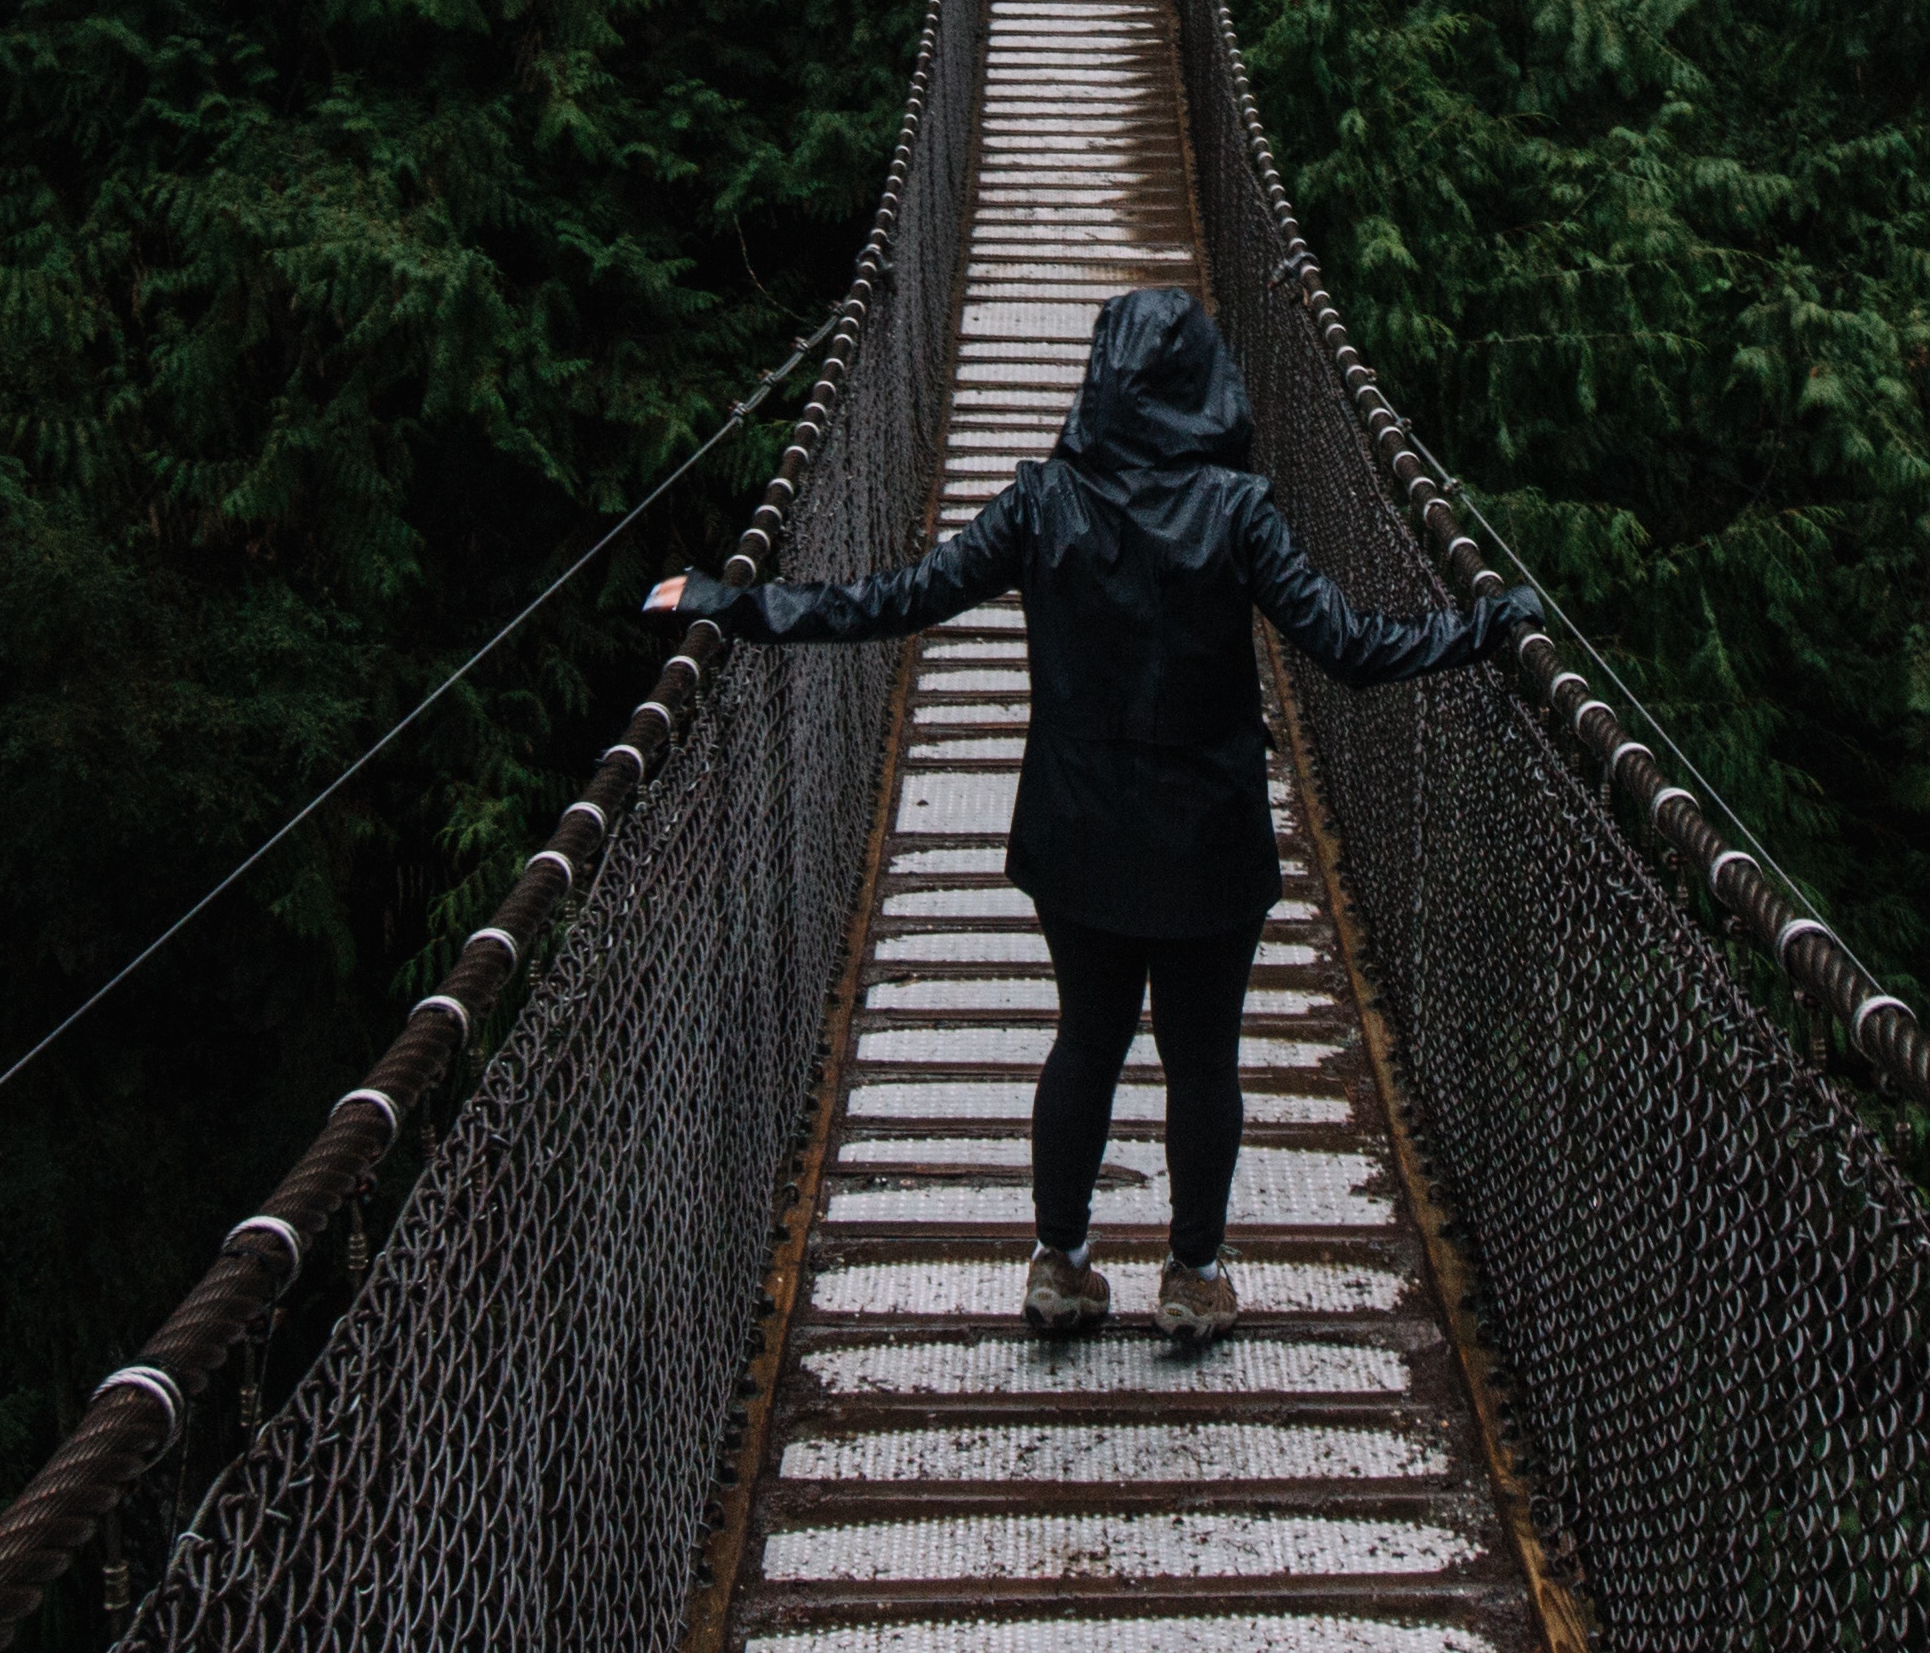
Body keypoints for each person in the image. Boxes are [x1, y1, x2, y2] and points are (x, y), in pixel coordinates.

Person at [645, 284, 1541, 1349]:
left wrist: (732, 603)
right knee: (1205, 1059)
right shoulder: (1238, 511)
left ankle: (1061, 1264)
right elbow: (1348, 649)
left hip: (1078, 835)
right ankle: (1194, 1276)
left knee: (1088, 1039)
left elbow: (898, 598)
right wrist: (1486, 626)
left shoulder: (1041, 501)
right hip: (1210, 840)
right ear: (1208, 386)